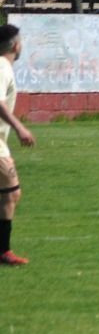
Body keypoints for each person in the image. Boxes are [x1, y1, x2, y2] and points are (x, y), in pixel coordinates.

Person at [0, 25, 38, 265]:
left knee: (9, 194)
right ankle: (3, 252)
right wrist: (19, 127)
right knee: (11, 194)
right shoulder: (2, 68)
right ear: (15, 45)